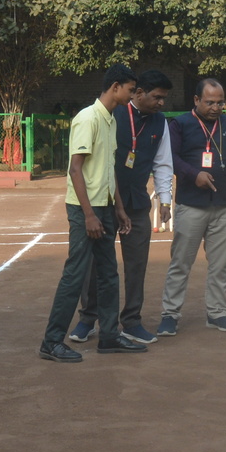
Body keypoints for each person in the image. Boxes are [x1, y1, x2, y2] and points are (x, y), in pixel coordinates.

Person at [39, 65, 147, 360]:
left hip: (105, 206)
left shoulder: (111, 120)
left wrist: (119, 208)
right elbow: (75, 169)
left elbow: (109, 170)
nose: (132, 96)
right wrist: (88, 215)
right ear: (115, 87)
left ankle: (109, 336)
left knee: (109, 274)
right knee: (75, 274)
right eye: (130, 90)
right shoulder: (88, 118)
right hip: (84, 207)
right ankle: (51, 341)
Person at [72, 68, 173, 344]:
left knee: (136, 265)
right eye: (157, 97)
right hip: (106, 203)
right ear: (138, 93)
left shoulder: (160, 122)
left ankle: (131, 321)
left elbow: (163, 163)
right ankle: (88, 319)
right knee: (95, 264)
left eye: (164, 98)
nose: (161, 103)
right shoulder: (112, 114)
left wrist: (165, 199)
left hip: (137, 204)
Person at [159, 77, 226, 336]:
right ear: (196, 100)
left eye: (220, 103)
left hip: (225, 205)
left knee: (220, 265)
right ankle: (170, 314)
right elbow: (171, 157)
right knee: (181, 263)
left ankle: (217, 313)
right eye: (210, 102)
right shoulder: (180, 124)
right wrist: (194, 174)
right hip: (191, 205)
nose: (216, 108)